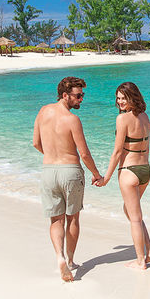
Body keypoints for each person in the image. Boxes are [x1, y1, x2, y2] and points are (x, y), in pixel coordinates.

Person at [32, 76, 103, 281]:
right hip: (70, 171)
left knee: (55, 218)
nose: (81, 99)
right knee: (72, 217)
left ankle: (59, 257)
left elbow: (36, 143)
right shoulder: (72, 119)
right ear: (65, 95)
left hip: (48, 171)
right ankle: (70, 261)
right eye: (78, 96)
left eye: (83, 95)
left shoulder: (42, 111)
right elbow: (84, 154)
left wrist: (52, 156)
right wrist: (96, 174)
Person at [94, 81, 150, 269]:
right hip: (145, 170)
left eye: (124, 98)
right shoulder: (145, 117)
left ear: (133, 98)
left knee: (135, 218)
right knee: (131, 211)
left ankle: (140, 260)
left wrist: (105, 177)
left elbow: (116, 152)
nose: (120, 101)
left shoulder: (122, 119)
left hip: (129, 171)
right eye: (118, 98)